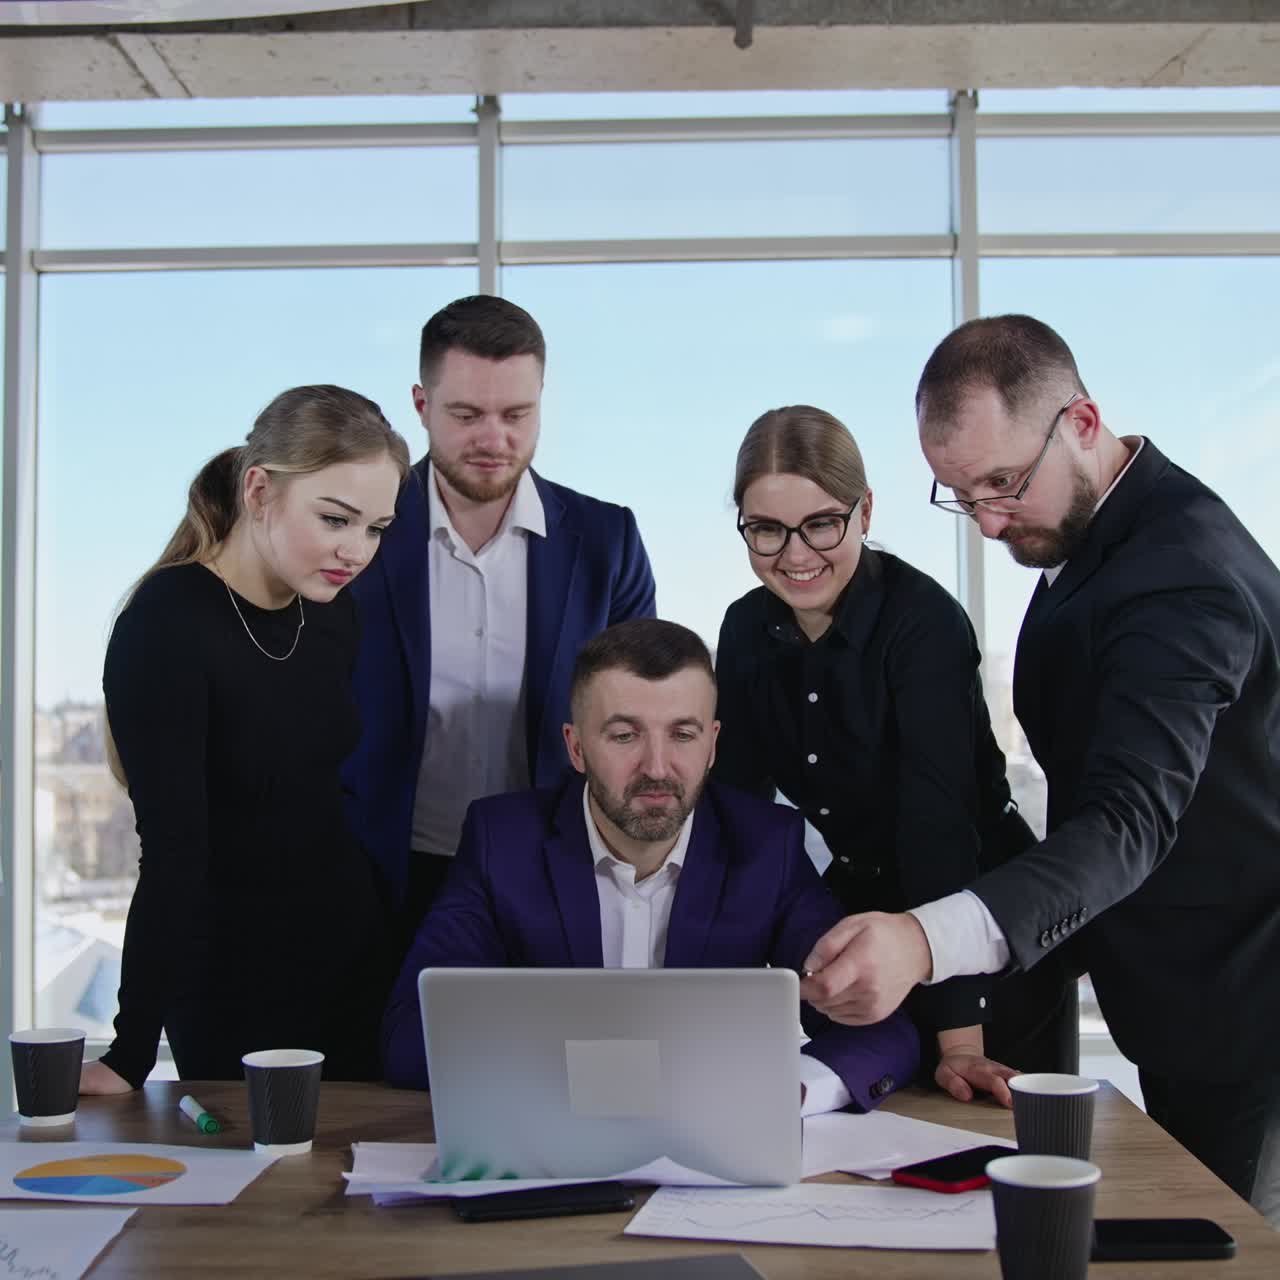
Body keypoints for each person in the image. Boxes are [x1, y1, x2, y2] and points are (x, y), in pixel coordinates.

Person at [801, 314, 1280, 1211]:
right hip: (1178, 994)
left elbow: (1128, 820)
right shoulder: (1100, 539)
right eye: (960, 494)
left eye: (1002, 483)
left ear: (1084, 424)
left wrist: (923, 938)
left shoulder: (1182, 578)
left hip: (1249, 1006)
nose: (986, 521)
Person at [382, 618, 920, 1111]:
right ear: (576, 748)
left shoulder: (767, 847)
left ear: (711, 746)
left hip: (709, 1157)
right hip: (554, 1150)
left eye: (682, 735)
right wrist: (610, 1077)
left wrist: (795, 1091)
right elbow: (411, 1035)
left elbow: (881, 1029)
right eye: (623, 735)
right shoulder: (502, 841)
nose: (657, 768)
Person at [713, 405, 1075, 1110]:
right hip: (861, 930)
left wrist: (961, 1042)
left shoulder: (922, 622)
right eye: (765, 529)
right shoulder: (745, 629)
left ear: (865, 510)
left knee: (996, 1162)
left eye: (821, 523)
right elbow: (742, 818)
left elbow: (937, 829)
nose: (794, 554)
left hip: (979, 926)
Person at [79, 385, 410, 1094]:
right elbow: (172, 855)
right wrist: (129, 1050)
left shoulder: (333, 615)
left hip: (352, 961)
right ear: (260, 490)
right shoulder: (166, 624)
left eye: (376, 528)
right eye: (336, 519)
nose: (356, 551)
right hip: (231, 983)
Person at [343, 296, 657, 954]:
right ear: (422, 407)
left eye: (516, 414)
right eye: (466, 415)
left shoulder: (607, 541)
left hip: (554, 875)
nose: (493, 439)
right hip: (380, 876)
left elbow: (639, 717)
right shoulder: (359, 533)